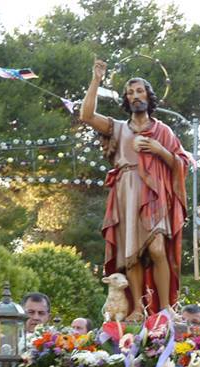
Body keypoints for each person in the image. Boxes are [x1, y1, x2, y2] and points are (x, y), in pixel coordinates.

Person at [81, 59, 190, 319]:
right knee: (130, 254)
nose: (135, 96)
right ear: (126, 100)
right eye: (130, 93)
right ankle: (137, 309)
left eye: (139, 91)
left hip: (154, 193)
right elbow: (86, 116)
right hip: (126, 191)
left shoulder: (162, 130)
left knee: (156, 249)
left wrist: (159, 150)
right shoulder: (117, 128)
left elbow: (182, 162)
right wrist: (96, 79)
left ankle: (165, 308)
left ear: (149, 97)